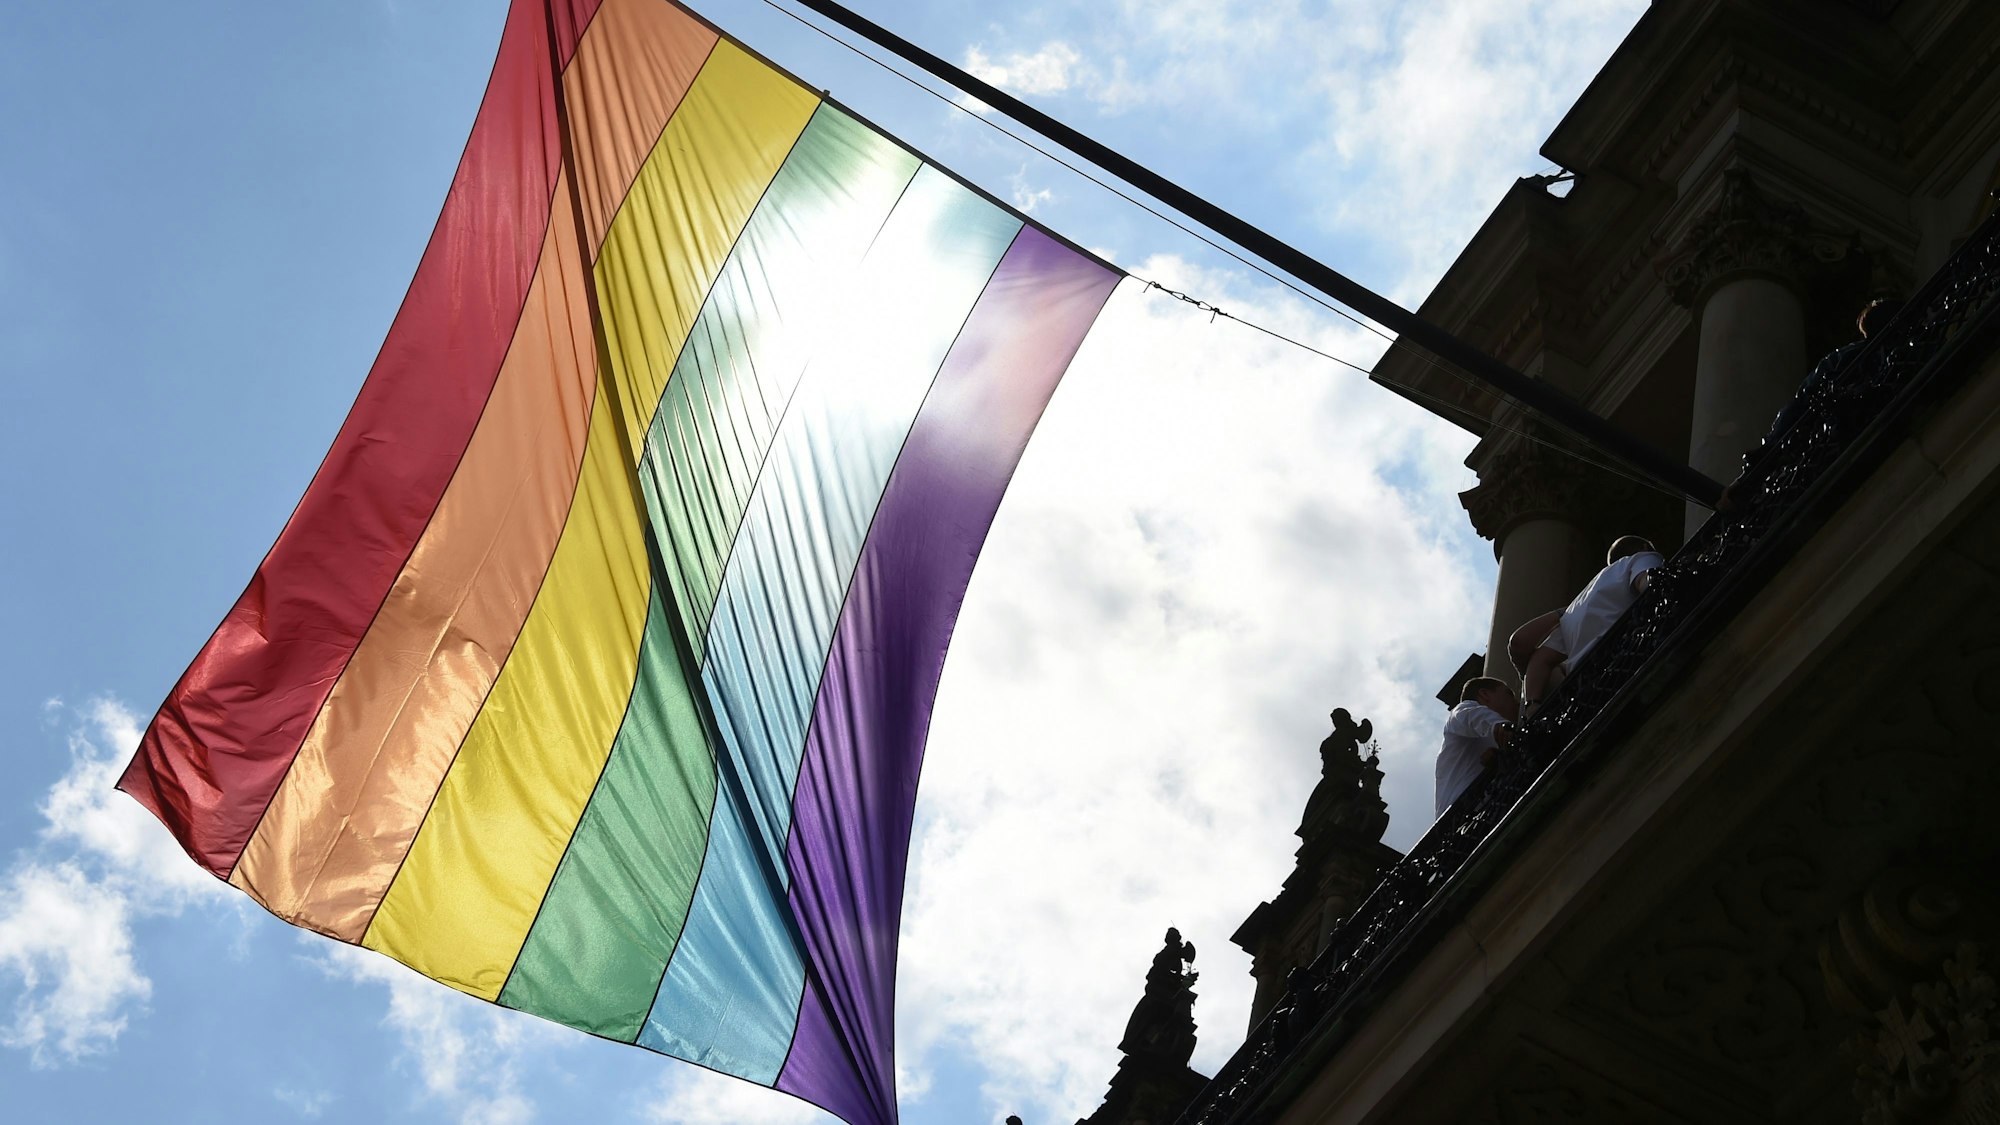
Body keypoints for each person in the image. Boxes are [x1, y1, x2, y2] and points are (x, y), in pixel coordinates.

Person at [1718, 297, 1905, 512]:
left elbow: (1795, 411)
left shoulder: (1847, 358)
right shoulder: (1850, 358)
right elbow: (1798, 409)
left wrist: (1752, 473)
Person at [1519, 536, 1665, 714]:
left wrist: (1532, 704)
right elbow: (1652, 583)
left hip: (1589, 695)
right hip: (1631, 662)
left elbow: (1540, 659)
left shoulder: (1576, 605)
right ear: (1644, 547)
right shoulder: (1639, 559)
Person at [1436, 677, 1519, 816]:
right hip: (1462, 820)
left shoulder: (1488, 738)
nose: (1516, 702)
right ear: (1485, 694)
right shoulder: (1464, 709)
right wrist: (1503, 726)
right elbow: (1474, 717)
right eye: (1509, 694)